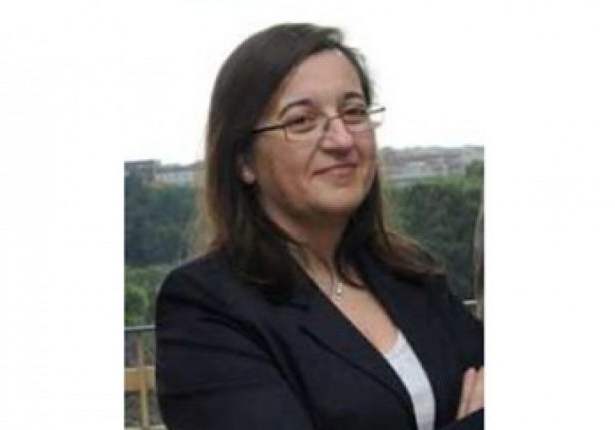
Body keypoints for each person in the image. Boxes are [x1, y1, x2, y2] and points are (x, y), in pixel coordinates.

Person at [155, 23, 484, 430]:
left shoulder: (410, 275)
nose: (342, 140)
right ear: (243, 160)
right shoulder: (207, 307)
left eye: (354, 112)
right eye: (302, 121)